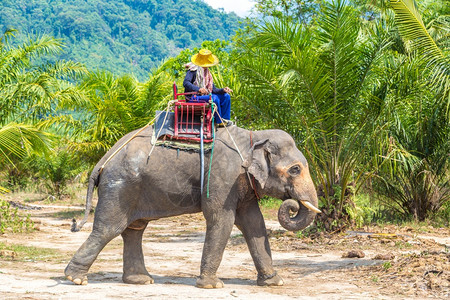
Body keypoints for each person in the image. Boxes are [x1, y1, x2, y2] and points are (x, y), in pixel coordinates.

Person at [183, 49, 233, 127]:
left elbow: (213, 90)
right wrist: (198, 89)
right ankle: (219, 121)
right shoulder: (193, 70)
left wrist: (223, 90)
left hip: (205, 96)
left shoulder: (207, 73)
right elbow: (186, 83)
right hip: (194, 97)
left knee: (226, 96)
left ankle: (225, 119)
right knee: (214, 98)